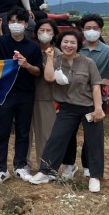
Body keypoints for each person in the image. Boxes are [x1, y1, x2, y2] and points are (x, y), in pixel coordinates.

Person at [30, 30, 105, 193]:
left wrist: (98, 108)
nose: (68, 45)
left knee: (94, 141)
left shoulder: (88, 62)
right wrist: (49, 58)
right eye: (65, 42)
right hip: (68, 107)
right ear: (60, 43)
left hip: (89, 107)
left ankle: (94, 176)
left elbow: (96, 86)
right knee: (56, 138)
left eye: (72, 42)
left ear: (78, 45)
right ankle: (45, 171)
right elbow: (49, 78)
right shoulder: (56, 60)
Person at [0, 7, 43, 183]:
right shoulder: (1, 41)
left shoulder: (33, 46)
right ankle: (0, 169)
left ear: (25, 24)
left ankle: (20, 166)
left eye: (19, 22)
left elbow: (38, 71)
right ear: (8, 24)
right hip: (4, 93)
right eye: (12, 21)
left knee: (23, 132)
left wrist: (27, 65)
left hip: (26, 94)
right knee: (3, 132)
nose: (16, 25)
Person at [60, 14, 109, 179]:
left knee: (91, 135)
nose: (91, 31)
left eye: (95, 28)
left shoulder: (107, 50)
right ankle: (69, 164)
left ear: (101, 30)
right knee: (68, 132)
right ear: (82, 30)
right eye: (87, 28)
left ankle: (88, 165)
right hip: (72, 97)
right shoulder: (76, 48)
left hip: (94, 99)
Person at [30, 19, 59, 172]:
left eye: (49, 31)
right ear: (36, 32)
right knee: (25, 134)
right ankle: (23, 164)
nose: (45, 34)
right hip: (27, 96)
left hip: (46, 97)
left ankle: (46, 167)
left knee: (46, 135)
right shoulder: (30, 48)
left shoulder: (58, 53)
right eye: (42, 30)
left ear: (54, 34)